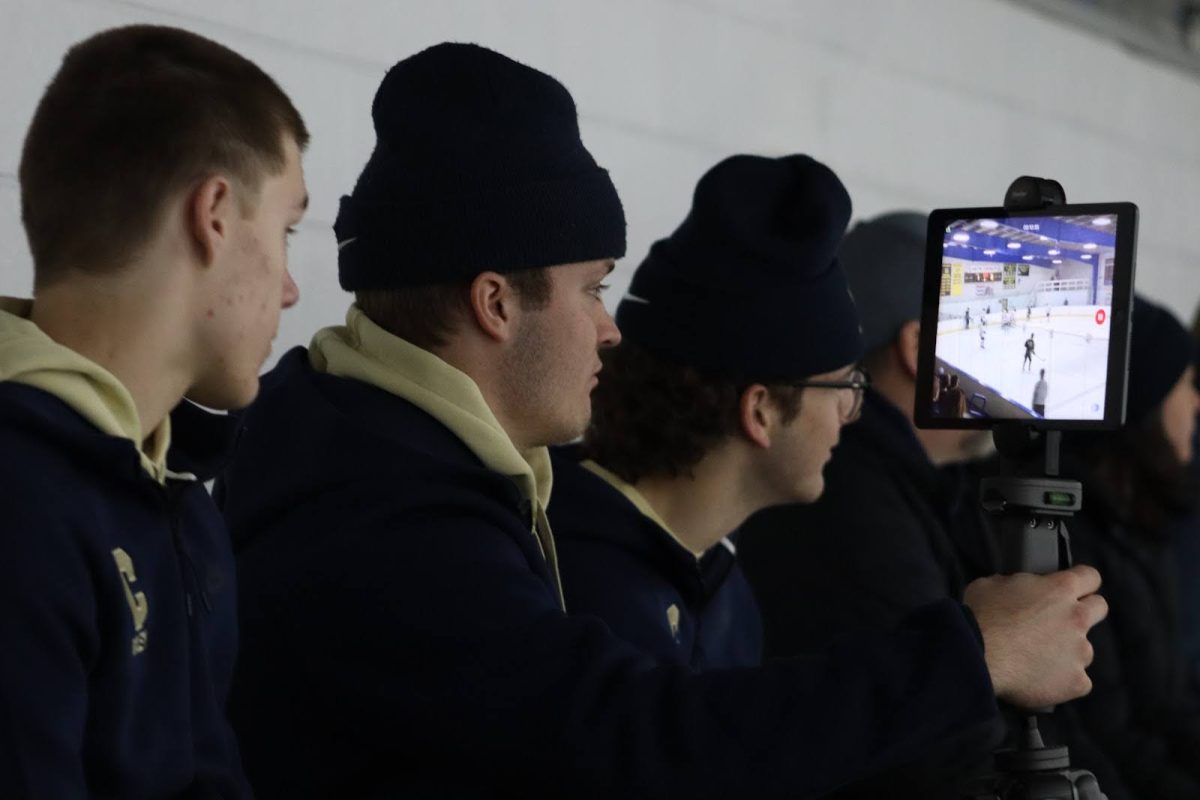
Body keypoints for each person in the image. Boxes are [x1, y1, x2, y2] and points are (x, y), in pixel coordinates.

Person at [218, 43, 1108, 800]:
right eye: (592, 287)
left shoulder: (371, 451)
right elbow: (624, 746)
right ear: (495, 302)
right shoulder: (388, 513)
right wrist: (969, 655)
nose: (610, 328)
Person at [0, 25, 308, 798]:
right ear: (214, 214)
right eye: (287, 230)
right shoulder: (21, 502)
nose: (292, 290)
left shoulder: (172, 498)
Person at [1059, 296, 1200, 799]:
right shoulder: (1074, 535)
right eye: (1187, 386)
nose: (1196, 405)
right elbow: (1108, 738)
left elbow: (1170, 702)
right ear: (1143, 404)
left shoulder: (1141, 512)